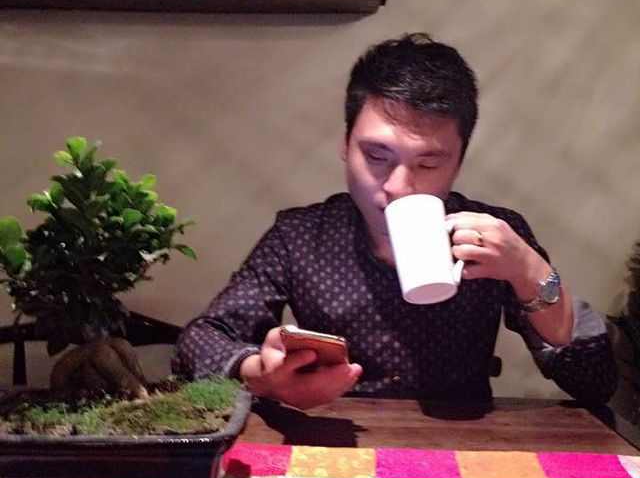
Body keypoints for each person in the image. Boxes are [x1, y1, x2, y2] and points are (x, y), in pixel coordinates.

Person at [173, 33, 617, 410]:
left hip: (465, 450)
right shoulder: (301, 237)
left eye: (428, 164)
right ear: (346, 145)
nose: (399, 186)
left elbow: (596, 381)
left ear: (458, 163)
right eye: (376, 156)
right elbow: (200, 341)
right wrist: (262, 375)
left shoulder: (495, 236)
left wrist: (529, 271)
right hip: (336, 444)